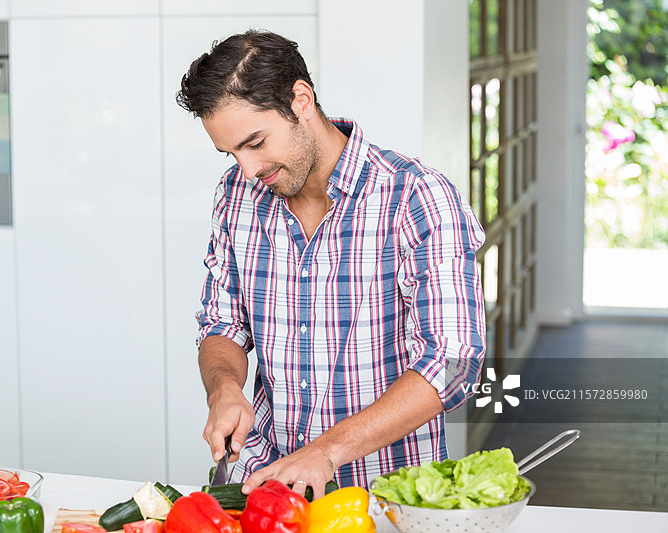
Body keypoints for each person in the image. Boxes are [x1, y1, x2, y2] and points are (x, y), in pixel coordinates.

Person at [176, 30, 486, 500]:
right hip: (266, 486)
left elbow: (454, 358)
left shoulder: (415, 196)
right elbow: (223, 323)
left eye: (255, 142)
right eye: (231, 153)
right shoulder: (237, 195)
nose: (247, 169)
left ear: (300, 100)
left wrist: (327, 450)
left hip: (386, 497)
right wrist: (225, 389)